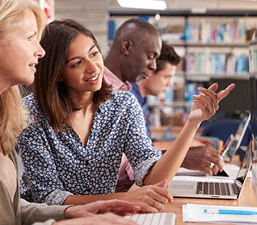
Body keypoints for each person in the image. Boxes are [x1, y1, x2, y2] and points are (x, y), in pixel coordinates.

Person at [0, 1, 139, 225]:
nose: (40, 52)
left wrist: (70, 213)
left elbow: (6, 210)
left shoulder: (1, 114)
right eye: (30, 38)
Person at [17, 19, 235, 213]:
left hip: (106, 219)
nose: (93, 68)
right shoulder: (31, 114)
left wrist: (193, 122)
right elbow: (48, 197)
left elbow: (152, 175)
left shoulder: (123, 105)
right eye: (77, 63)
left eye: (94, 54)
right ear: (58, 73)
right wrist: (123, 199)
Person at [104, 18, 226, 192]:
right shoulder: (106, 92)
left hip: (126, 192)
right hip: (113, 197)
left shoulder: (125, 92)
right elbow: (129, 166)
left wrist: (192, 126)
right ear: (126, 47)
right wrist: (182, 156)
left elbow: (139, 159)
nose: (153, 66)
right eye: (150, 57)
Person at [131, 42, 224, 176]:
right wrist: (185, 146)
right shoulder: (131, 101)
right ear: (150, 70)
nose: (169, 84)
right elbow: (142, 151)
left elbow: (149, 143)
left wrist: (186, 140)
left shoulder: (143, 99)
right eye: (166, 77)